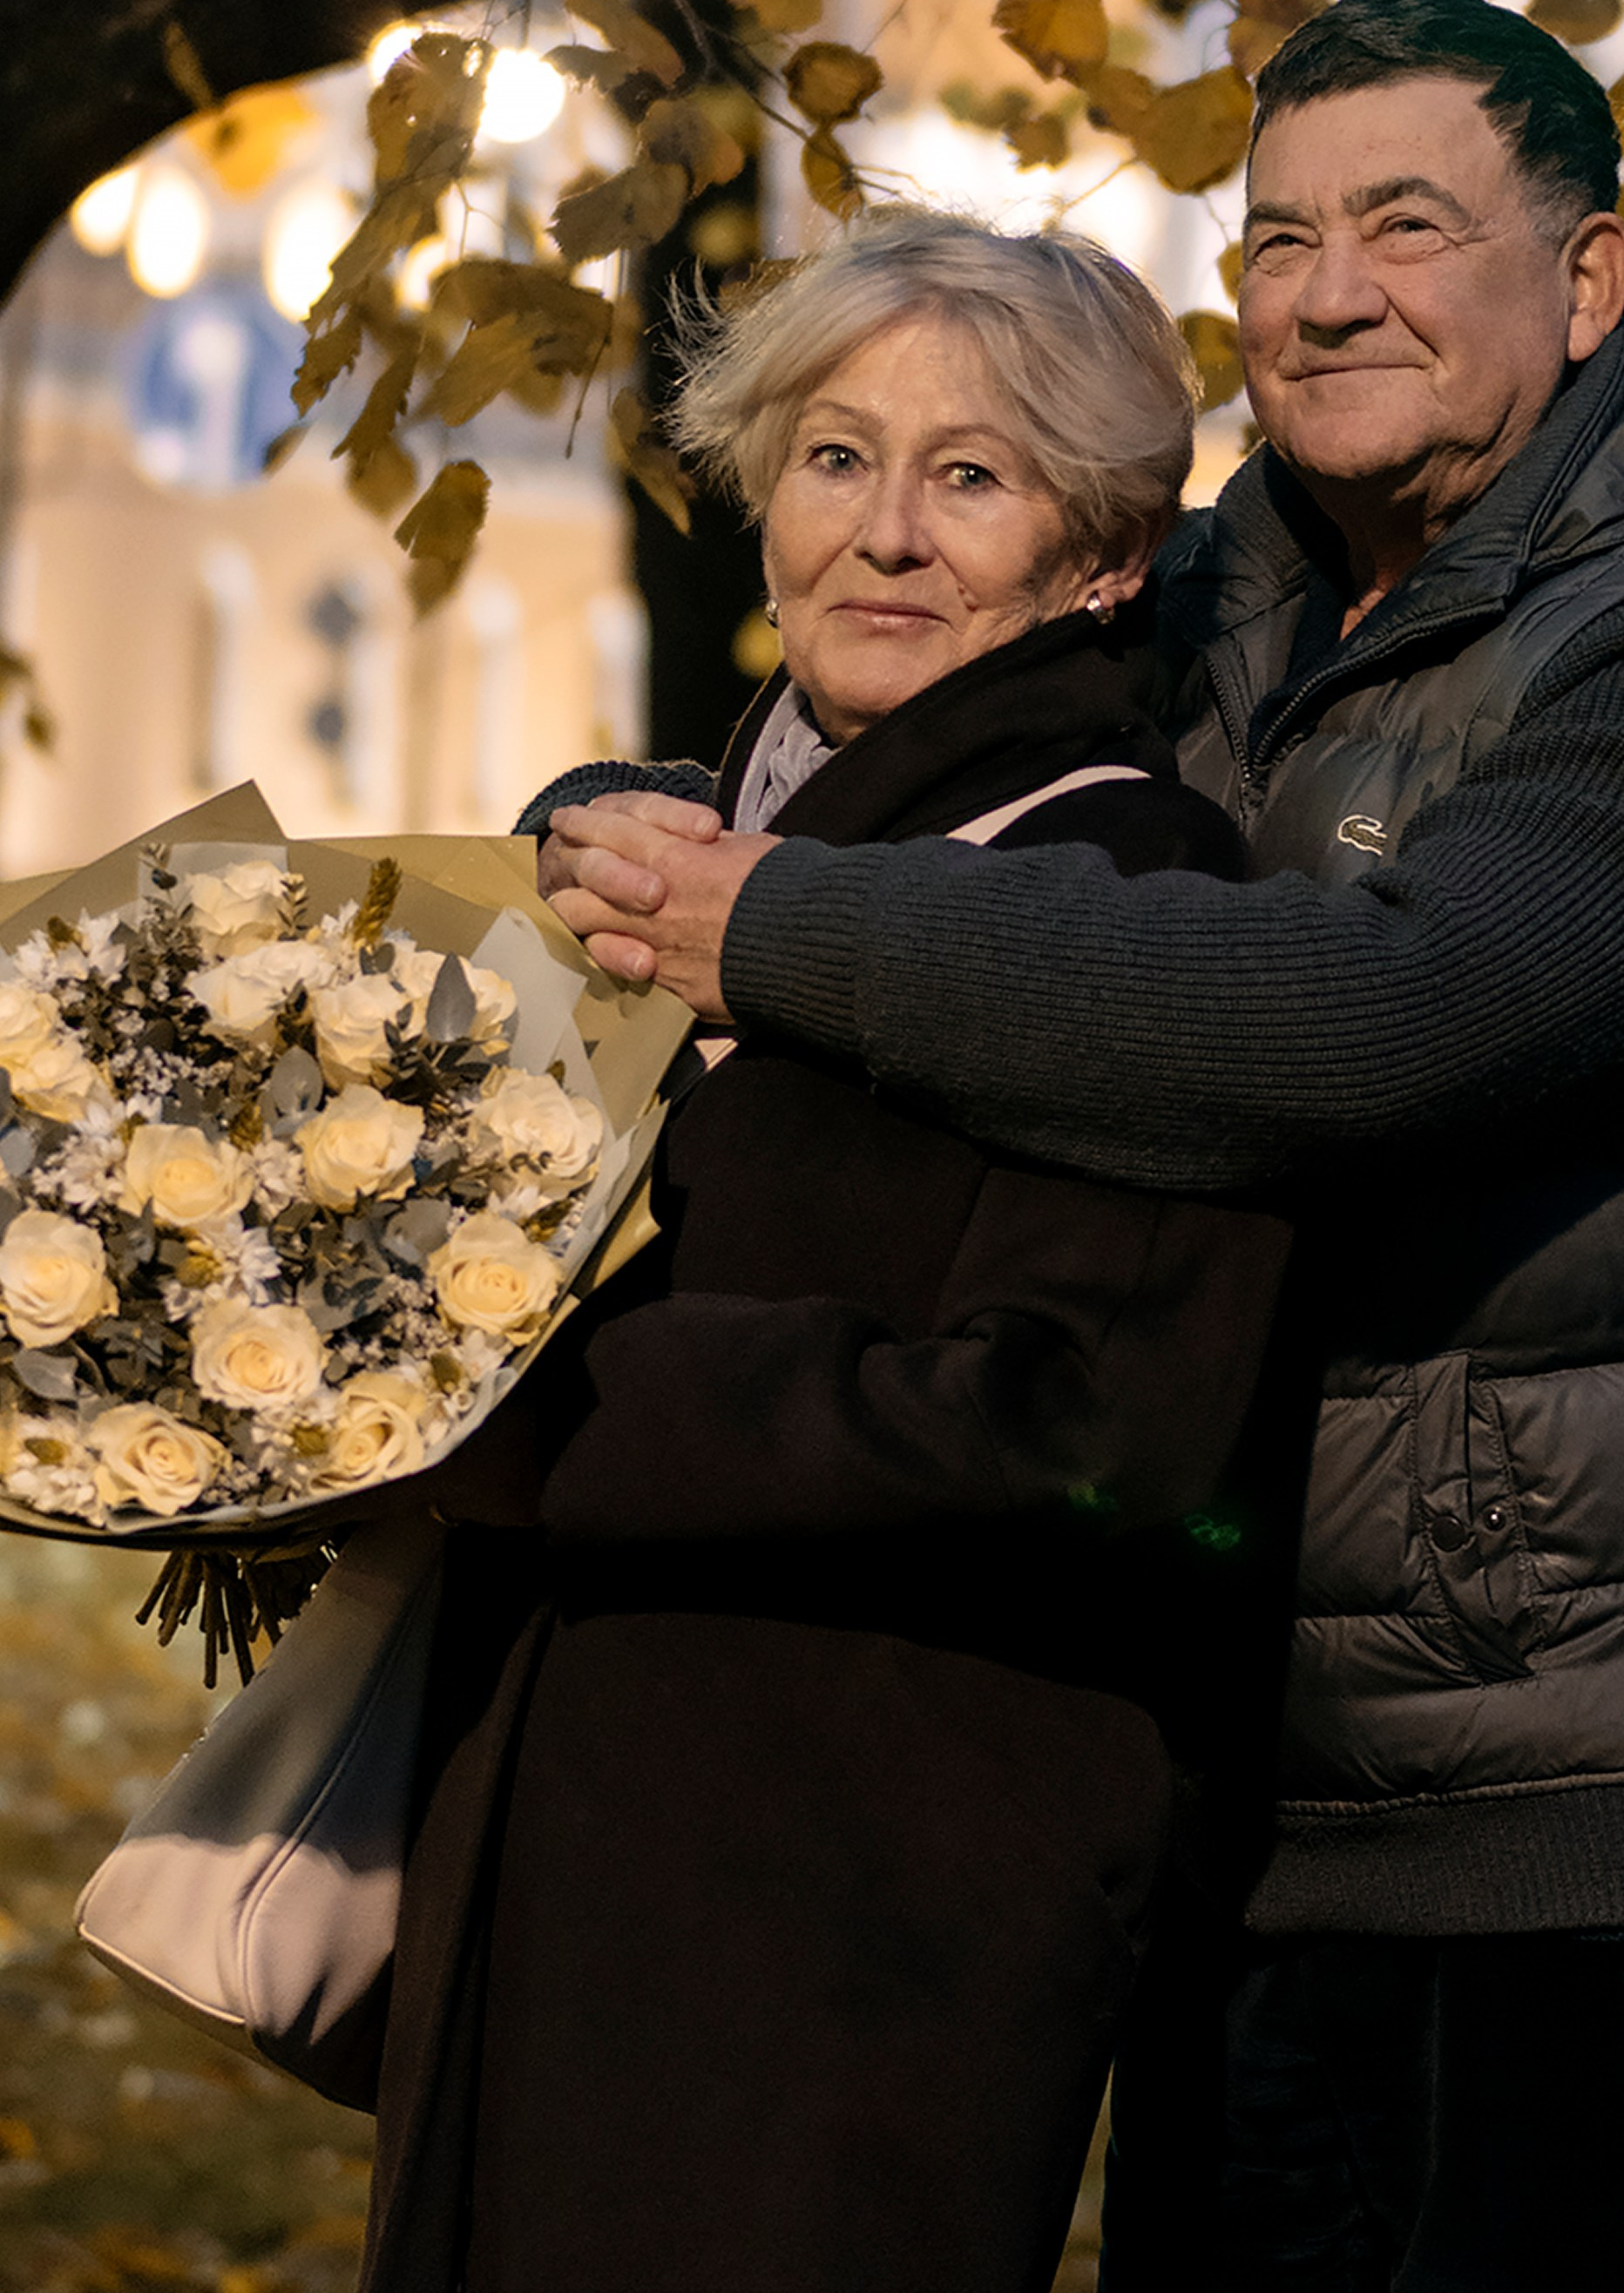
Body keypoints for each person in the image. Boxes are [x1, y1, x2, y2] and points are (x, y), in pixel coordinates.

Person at [541, 0, 1624, 2293]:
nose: (1327, 291)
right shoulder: (1196, 601)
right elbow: (895, 757)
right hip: (1228, 1775)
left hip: (1593, 1816)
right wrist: (612, 838)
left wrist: (766, 923)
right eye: (1276, 240)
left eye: (1405, 225)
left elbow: (1386, 1018)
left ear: (1582, 279)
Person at [362, 212, 1303, 2293]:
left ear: (1104, 551)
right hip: (564, 1831)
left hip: (864, 1901)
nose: (885, 532)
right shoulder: (678, 855)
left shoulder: (1127, 880)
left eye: (972, 474)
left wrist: (544, 1403)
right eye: (836, 456)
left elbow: (1097, 1428)